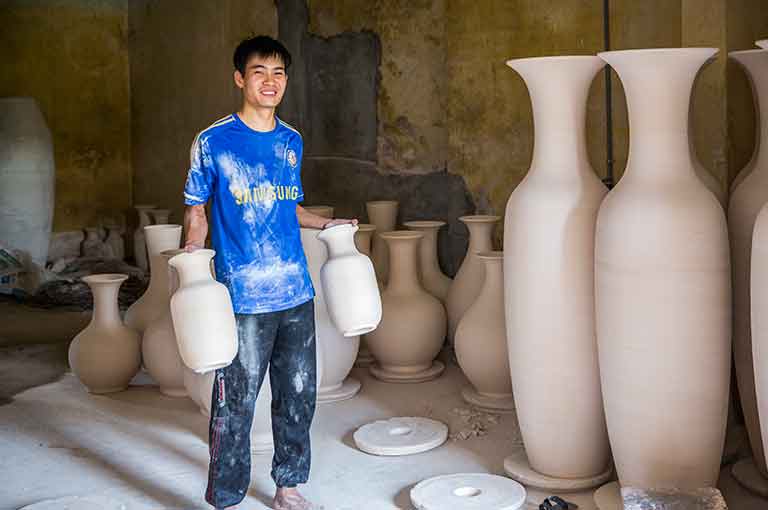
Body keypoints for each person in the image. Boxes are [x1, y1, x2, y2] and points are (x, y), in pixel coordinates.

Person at [182, 35, 355, 510]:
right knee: (234, 404)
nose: (270, 81)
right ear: (240, 78)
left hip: (295, 290)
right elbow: (196, 212)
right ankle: (225, 496)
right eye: (259, 72)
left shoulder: (291, 141)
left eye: (278, 73)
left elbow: (287, 204)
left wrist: (327, 223)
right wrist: (192, 269)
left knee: (298, 395)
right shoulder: (213, 141)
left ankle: (288, 486)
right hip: (242, 295)